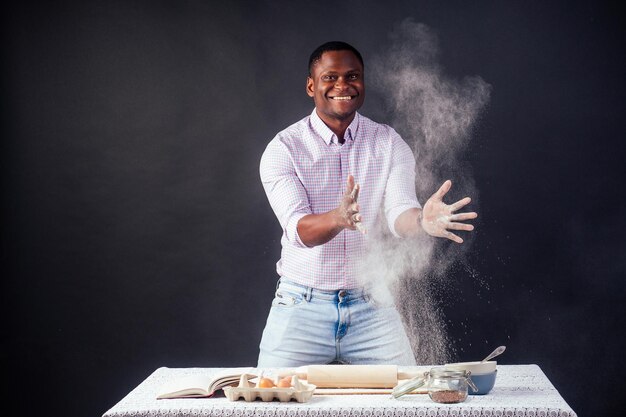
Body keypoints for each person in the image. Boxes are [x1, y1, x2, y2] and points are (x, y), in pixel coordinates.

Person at [257, 41, 477, 367]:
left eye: (352, 76)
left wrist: (421, 222)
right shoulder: (283, 149)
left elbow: (399, 213)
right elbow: (300, 231)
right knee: (271, 404)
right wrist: (338, 218)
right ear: (311, 85)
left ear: (362, 83)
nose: (342, 86)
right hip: (300, 307)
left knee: (405, 402)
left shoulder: (388, 143)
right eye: (330, 77)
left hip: (372, 305)